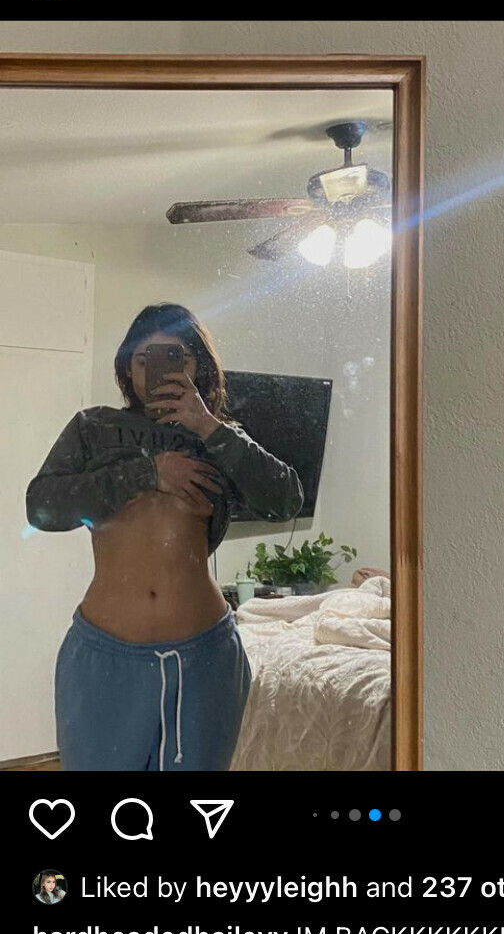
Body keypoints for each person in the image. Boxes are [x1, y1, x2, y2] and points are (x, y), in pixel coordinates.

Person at [26, 303, 304, 771]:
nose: (157, 370)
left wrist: (207, 425)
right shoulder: (94, 428)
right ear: (127, 368)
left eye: (177, 357)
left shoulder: (220, 437)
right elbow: (41, 508)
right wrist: (147, 473)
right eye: (144, 359)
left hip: (206, 656)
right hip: (105, 654)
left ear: (198, 366)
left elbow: (285, 500)